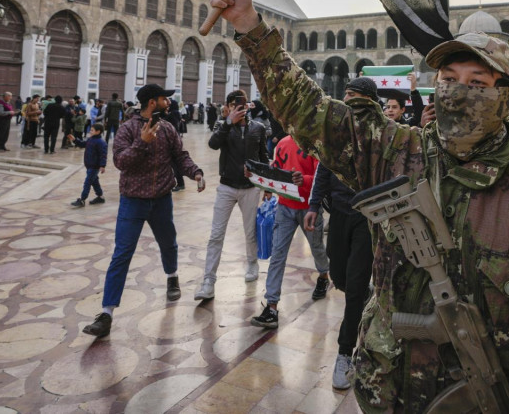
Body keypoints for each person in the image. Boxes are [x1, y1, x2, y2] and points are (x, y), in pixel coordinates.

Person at [211, 0, 509, 412]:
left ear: (505, 97)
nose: (458, 92)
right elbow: (309, 112)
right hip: (391, 397)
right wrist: (249, 27)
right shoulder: (398, 153)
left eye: (478, 84)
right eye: (448, 78)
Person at [82, 84, 205, 338]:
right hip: (133, 201)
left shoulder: (168, 128)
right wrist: (142, 142)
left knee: (168, 243)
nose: (168, 102)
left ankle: (172, 276)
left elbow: (180, 156)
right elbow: (120, 162)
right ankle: (107, 313)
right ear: (151, 102)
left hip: (161, 199)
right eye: (164, 99)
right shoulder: (128, 129)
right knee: (122, 253)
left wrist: (196, 172)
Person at [306, 77, 380, 390]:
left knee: (354, 286)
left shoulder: (380, 134)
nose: (348, 101)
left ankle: (345, 352)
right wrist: (313, 205)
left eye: (355, 97)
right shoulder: (336, 133)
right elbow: (323, 168)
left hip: (365, 218)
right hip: (338, 214)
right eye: (346, 95)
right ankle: (362, 294)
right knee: (339, 274)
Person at [195, 90, 269, 301]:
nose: (239, 108)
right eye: (235, 105)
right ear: (227, 107)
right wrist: (228, 122)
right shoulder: (222, 126)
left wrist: (267, 188)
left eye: (242, 105)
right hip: (226, 187)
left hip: (250, 188)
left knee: (249, 231)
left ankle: (252, 264)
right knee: (216, 234)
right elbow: (213, 144)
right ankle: (208, 281)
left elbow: (264, 159)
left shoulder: (258, 128)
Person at [251, 134, 329, 329]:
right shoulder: (283, 144)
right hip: (285, 207)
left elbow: (323, 177)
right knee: (277, 254)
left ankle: (323, 275)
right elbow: (276, 170)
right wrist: (260, 179)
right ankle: (271, 307)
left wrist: (305, 180)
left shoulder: (314, 144)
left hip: (309, 207)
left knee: (317, 247)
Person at [69, 123, 107, 207]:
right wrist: (75, 140)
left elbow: (103, 155)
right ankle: (100, 197)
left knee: (87, 182)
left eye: (92, 130)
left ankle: (82, 200)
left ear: (98, 131)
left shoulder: (101, 142)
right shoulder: (91, 139)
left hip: (94, 166)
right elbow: (83, 144)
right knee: (94, 181)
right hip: (89, 165)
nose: (90, 131)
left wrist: (102, 166)